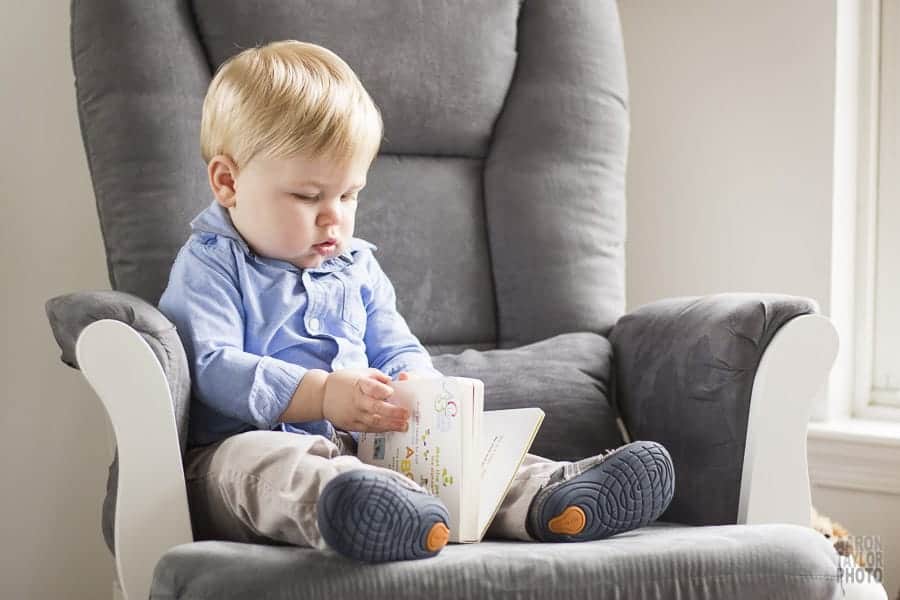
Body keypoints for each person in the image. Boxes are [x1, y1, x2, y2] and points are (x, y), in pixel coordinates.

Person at [158, 39, 675, 564]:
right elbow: (213, 366)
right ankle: (353, 508)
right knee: (271, 464)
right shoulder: (212, 264)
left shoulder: (355, 265)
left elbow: (394, 344)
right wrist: (321, 395)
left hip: (364, 449)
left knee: (461, 458)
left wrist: (418, 387)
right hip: (233, 460)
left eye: (349, 194)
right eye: (308, 197)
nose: (333, 216)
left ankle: (550, 498)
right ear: (228, 181)